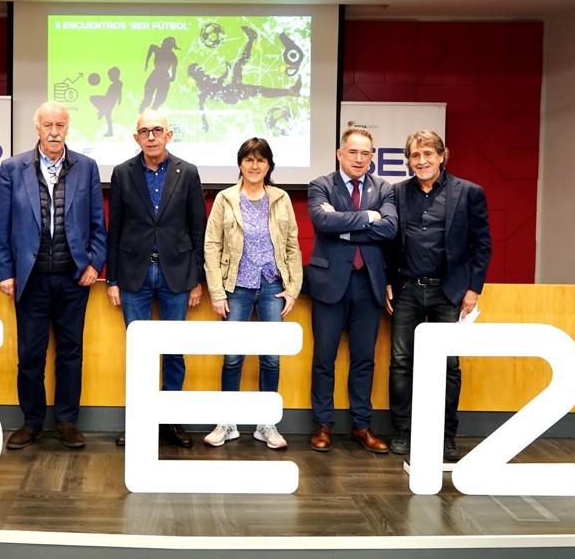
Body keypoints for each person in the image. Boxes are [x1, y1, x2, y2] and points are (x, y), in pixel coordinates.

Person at [0, 101, 107, 450]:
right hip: (31, 278)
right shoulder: (13, 168)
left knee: (71, 352)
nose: (54, 131)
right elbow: (2, 226)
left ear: (68, 128)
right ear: (37, 129)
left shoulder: (85, 168)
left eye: (60, 125)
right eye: (47, 125)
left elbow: (98, 225)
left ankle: (67, 421)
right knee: (30, 354)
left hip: (74, 278)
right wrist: (4, 273)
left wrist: (94, 264)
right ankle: (31, 422)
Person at [385, 129, 492, 462]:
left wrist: (473, 288)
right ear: (408, 161)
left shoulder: (470, 193)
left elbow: (482, 244)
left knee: (449, 367)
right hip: (407, 291)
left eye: (428, 154)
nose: (421, 161)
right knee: (401, 364)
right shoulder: (397, 193)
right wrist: (389, 280)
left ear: (443, 156)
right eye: (415, 156)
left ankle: (446, 437)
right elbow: (389, 242)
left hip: (449, 292)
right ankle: (403, 431)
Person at [106, 110, 206, 448]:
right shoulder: (122, 173)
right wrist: (112, 279)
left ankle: (169, 421)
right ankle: (139, 422)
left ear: (169, 135)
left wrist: (196, 278)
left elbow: (197, 228)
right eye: (144, 131)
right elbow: (114, 228)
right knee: (139, 353)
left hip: (176, 274)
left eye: (157, 130)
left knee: (174, 351)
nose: (151, 136)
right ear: (136, 138)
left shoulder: (188, 172)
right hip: (133, 274)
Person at [203, 137, 302, 450]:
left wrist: (293, 289)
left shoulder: (281, 198)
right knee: (233, 357)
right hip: (237, 288)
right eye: (249, 160)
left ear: (269, 165)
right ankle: (227, 422)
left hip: (273, 286)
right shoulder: (225, 199)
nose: (255, 165)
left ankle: (266, 424)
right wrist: (217, 292)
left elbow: (292, 244)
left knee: (271, 358)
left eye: (261, 160)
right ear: (240, 164)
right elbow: (212, 245)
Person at [305, 127, 398, 454]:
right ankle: (323, 425)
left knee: (364, 359)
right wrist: (366, 219)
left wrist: (344, 226)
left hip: (368, 284)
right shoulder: (321, 185)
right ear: (339, 153)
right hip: (330, 285)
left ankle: (361, 425)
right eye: (353, 152)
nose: (359, 158)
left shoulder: (384, 188)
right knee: (324, 359)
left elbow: (389, 229)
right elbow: (322, 223)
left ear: (372, 157)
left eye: (365, 153)